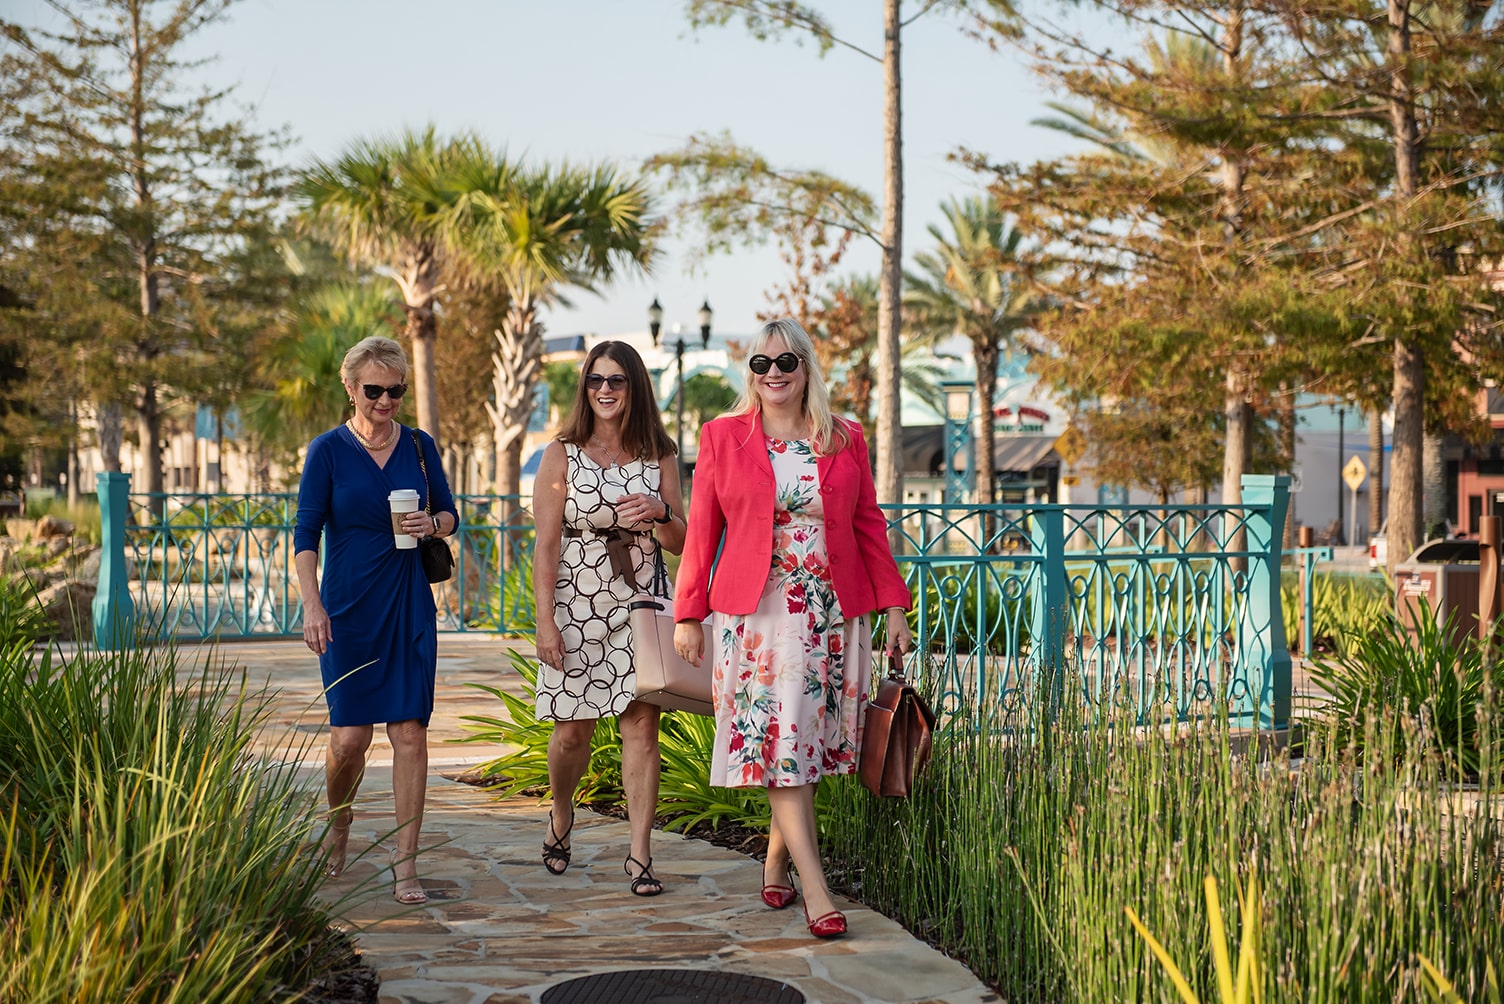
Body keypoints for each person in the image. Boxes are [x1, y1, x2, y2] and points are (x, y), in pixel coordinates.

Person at [672, 317, 914, 940]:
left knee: (800, 742)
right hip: (757, 618)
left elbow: (868, 524)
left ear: (806, 368)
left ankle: (777, 858)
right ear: (750, 373)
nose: (773, 375)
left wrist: (894, 606)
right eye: (761, 364)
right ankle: (815, 886)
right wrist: (688, 614)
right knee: (781, 741)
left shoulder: (843, 437)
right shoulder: (724, 436)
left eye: (786, 363)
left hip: (832, 614)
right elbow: (703, 532)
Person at [294, 335, 458, 906]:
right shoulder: (328, 450)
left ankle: (404, 863)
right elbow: (304, 533)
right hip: (345, 607)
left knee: (410, 732)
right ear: (350, 387)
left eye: (396, 391)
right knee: (349, 739)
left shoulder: (418, 444)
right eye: (374, 391)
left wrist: (432, 525)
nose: (385, 401)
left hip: (407, 598)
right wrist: (311, 604)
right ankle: (339, 825)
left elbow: (449, 512)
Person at [531, 340, 687, 896]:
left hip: (640, 600)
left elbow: (680, 540)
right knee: (572, 732)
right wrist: (544, 620)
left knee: (642, 726)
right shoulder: (561, 453)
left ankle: (640, 856)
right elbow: (545, 545)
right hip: (575, 600)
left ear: (634, 386)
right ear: (585, 387)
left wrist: (661, 512)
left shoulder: (659, 452)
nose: (604, 389)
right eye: (596, 379)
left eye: (617, 380)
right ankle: (561, 810)